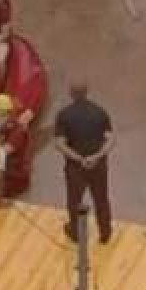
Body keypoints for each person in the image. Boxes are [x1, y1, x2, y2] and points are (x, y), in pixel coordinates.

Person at [53, 79, 116, 244]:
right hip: (98, 166)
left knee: (74, 200)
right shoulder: (100, 112)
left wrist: (79, 158)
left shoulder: (64, 115)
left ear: (71, 93)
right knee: (101, 199)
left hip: (76, 167)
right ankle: (105, 232)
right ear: (87, 92)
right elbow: (110, 139)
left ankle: (76, 232)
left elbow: (59, 143)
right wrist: (97, 156)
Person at [0, 93, 34, 197]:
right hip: (7, 169)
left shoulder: (17, 132)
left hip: (14, 176)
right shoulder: (6, 127)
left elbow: (2, 152)